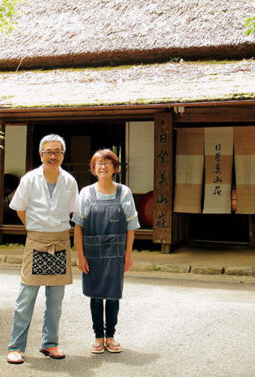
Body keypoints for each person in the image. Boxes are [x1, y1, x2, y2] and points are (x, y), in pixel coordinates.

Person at [6, 134, 78, 365]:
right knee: (26, 297)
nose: (53, 155)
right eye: (48, 151)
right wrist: (34, 227)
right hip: (36, 240)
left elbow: (73, 211)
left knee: (55, 301)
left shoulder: (69, 181)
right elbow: (20, 208)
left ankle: (50, 344)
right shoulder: (29, 179)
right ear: (41, 154)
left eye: (57, 151)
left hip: (60, 241)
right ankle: (16, 347)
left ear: (63, 155)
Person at [73, 149, 139, 355]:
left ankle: (110, 336)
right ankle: (98, 337)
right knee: (95, 296)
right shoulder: (86, 193)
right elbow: (78, 226)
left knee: (112, 296)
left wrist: (128, 254)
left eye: (107, 163)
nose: (102, 166)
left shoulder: (124, 192)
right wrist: (80, 256)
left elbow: (131, 225)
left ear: (115, 168)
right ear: (93, 169)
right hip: (92, 254)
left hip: (115, 253)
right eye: (98, 163)